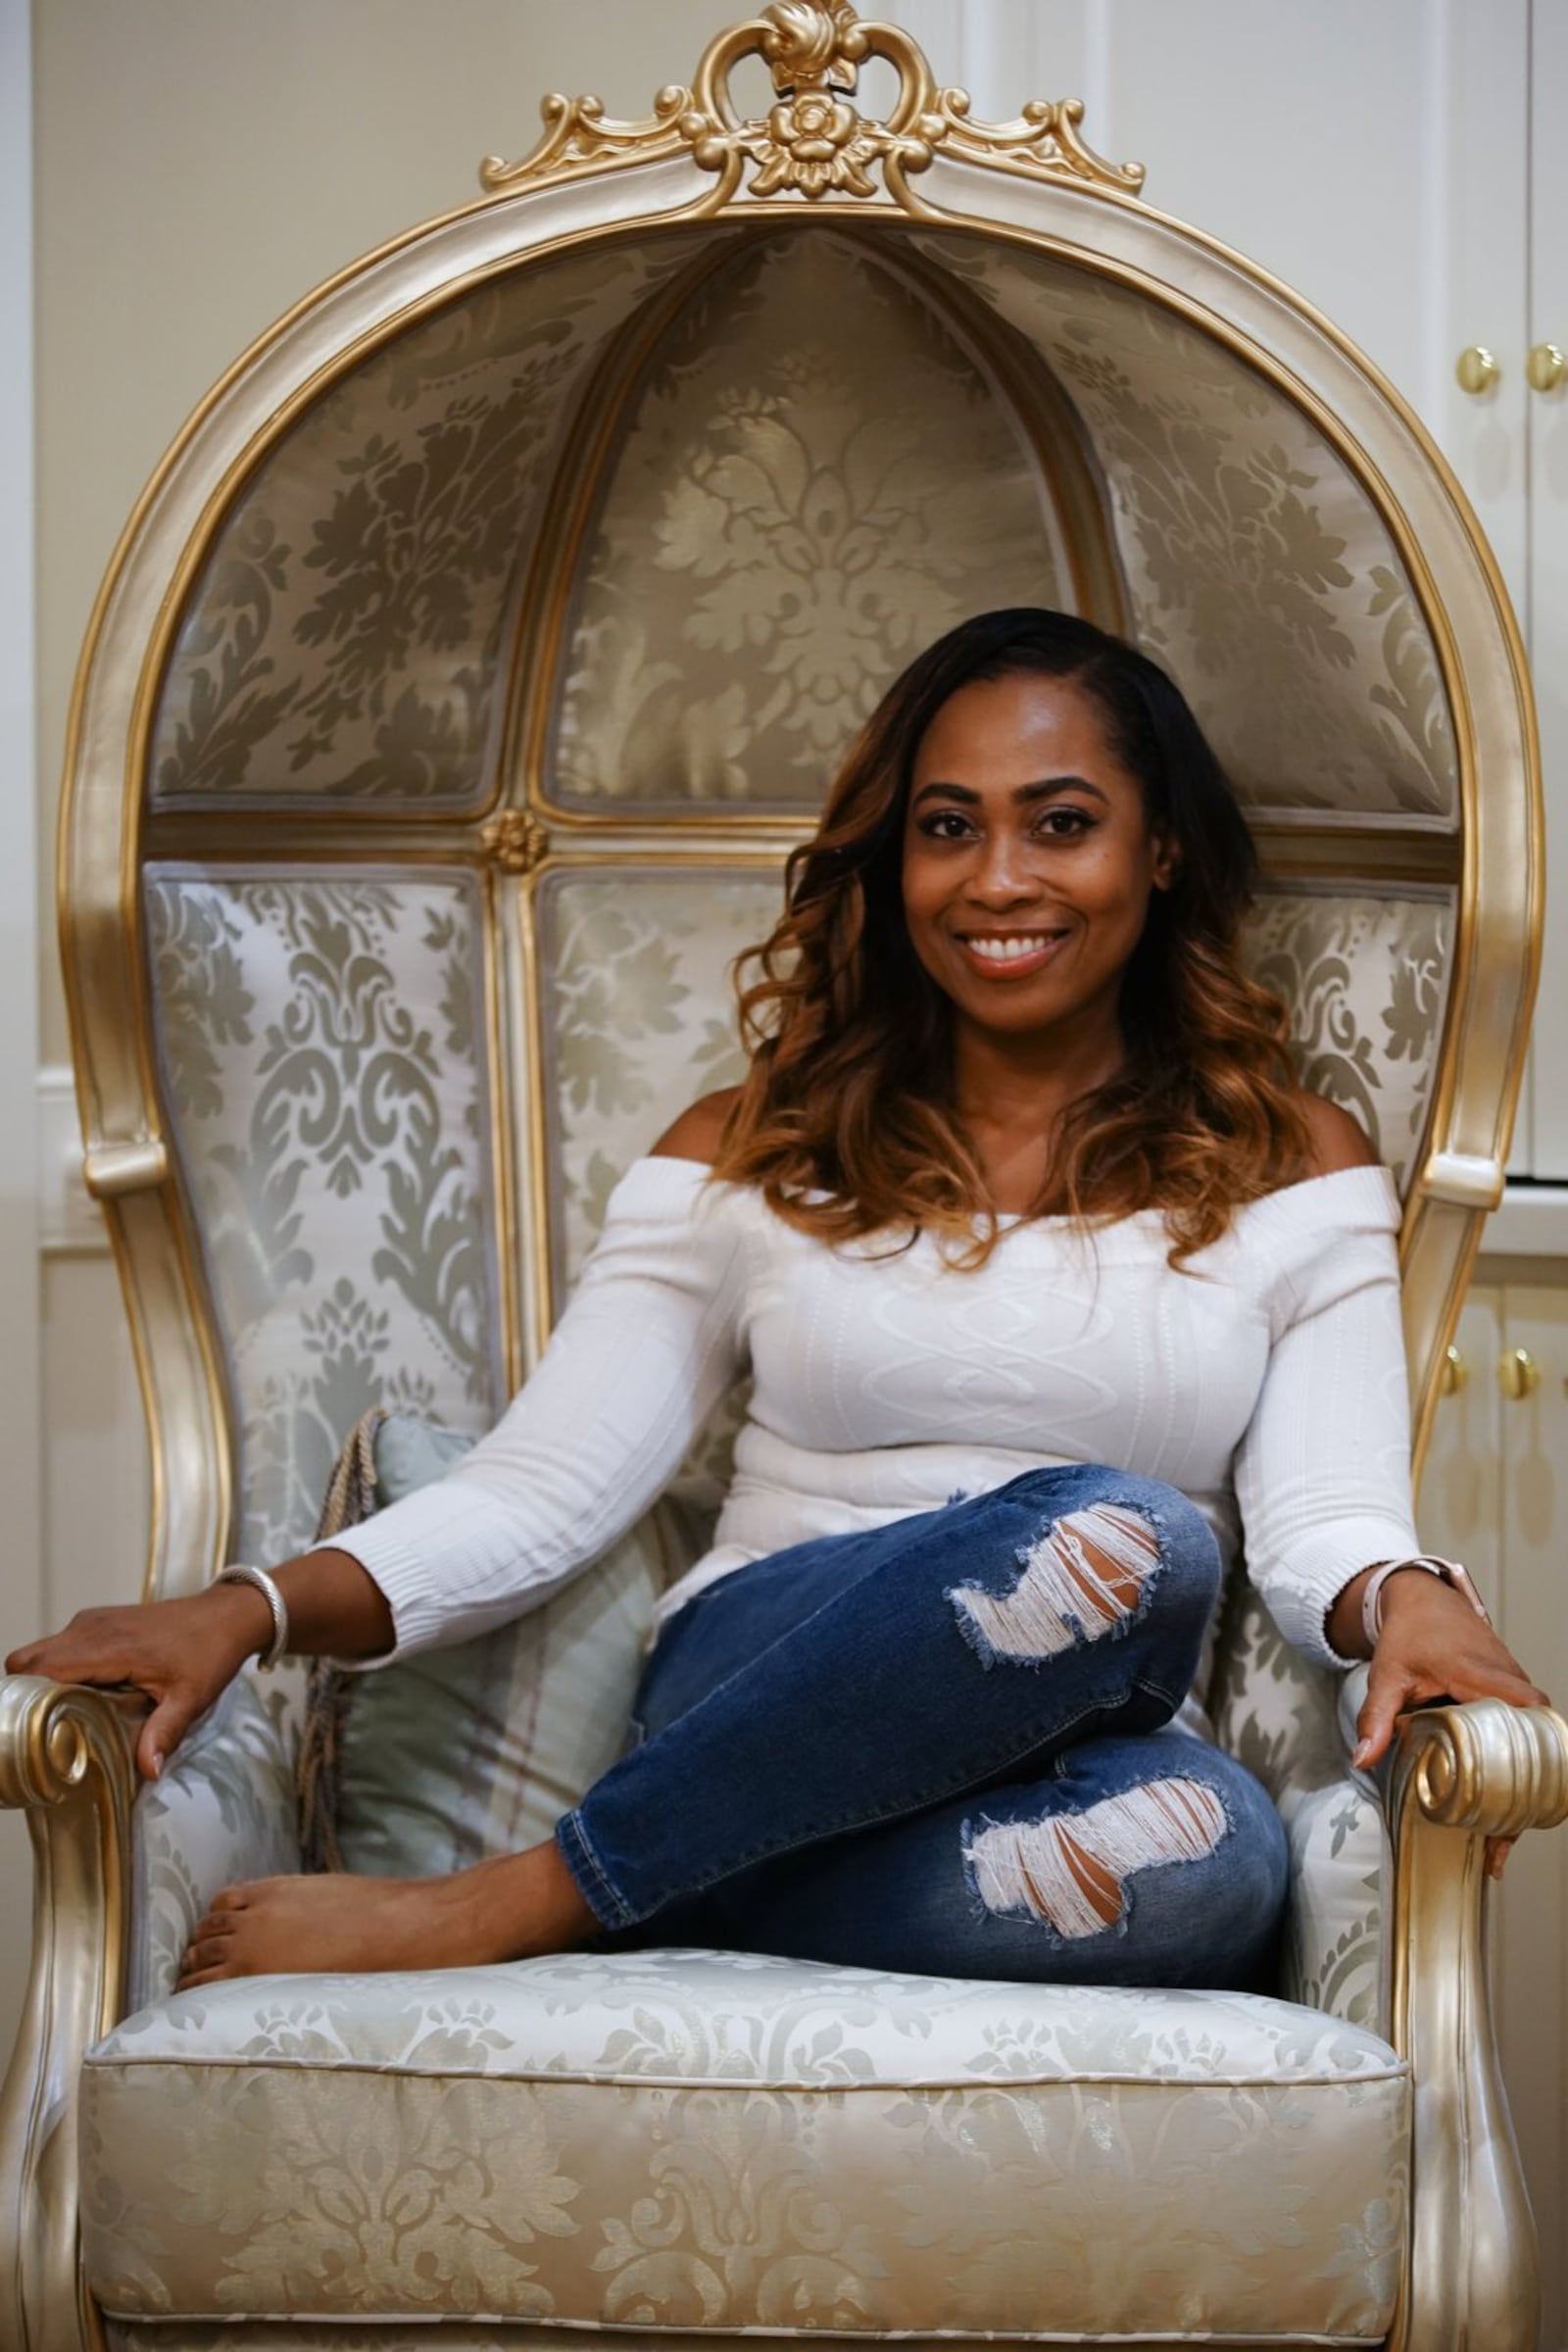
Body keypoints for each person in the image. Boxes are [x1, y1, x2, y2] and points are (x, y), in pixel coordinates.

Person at [10, 609, 1546, 1991]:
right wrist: (246, 1605)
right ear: (896, 864)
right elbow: (543, 1493)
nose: (998, 879)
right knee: (1131, 1536)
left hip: (1074, 1745)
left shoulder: (1291, 1164)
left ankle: (650, 1889)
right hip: (762, 1664)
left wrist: (1410, 1593)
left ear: (1159, 853)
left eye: (1060, 824)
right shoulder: (748, 1148)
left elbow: (1323, 1520)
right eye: (950, 828)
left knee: (1218, 1862)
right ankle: (514, 1898)